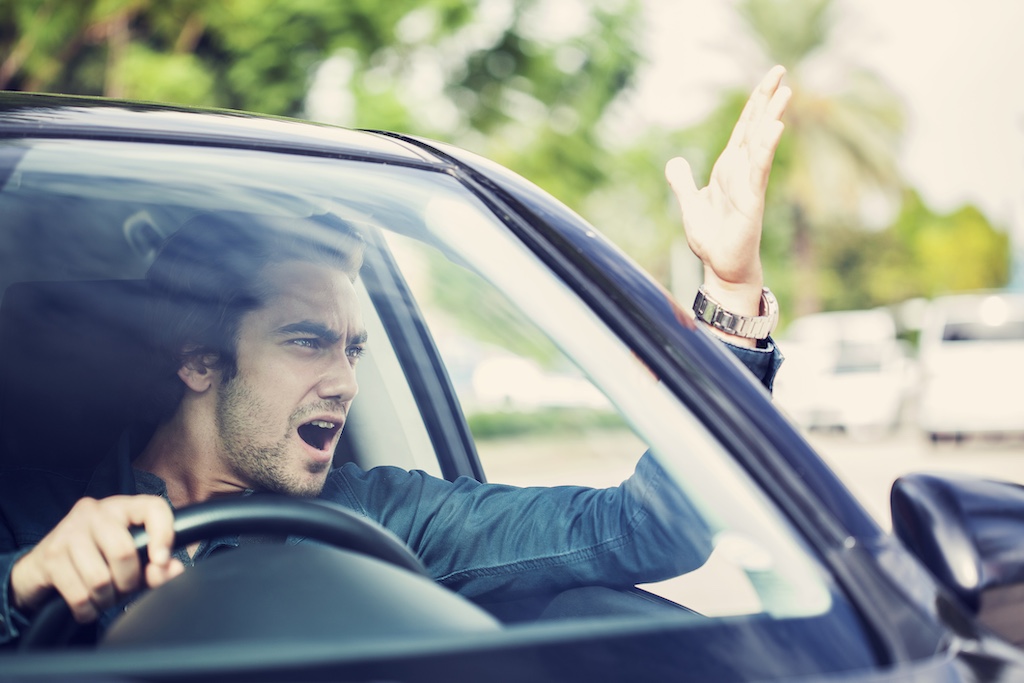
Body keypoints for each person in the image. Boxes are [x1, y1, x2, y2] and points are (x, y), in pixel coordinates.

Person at [0, 66, 791, 643]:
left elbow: (643, 529)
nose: (344, 380)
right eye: (307, 340)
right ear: (200, 359)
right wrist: (24, 580)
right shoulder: (41, 516)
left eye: (353, 348)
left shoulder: (386, 519)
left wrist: (729, 290)